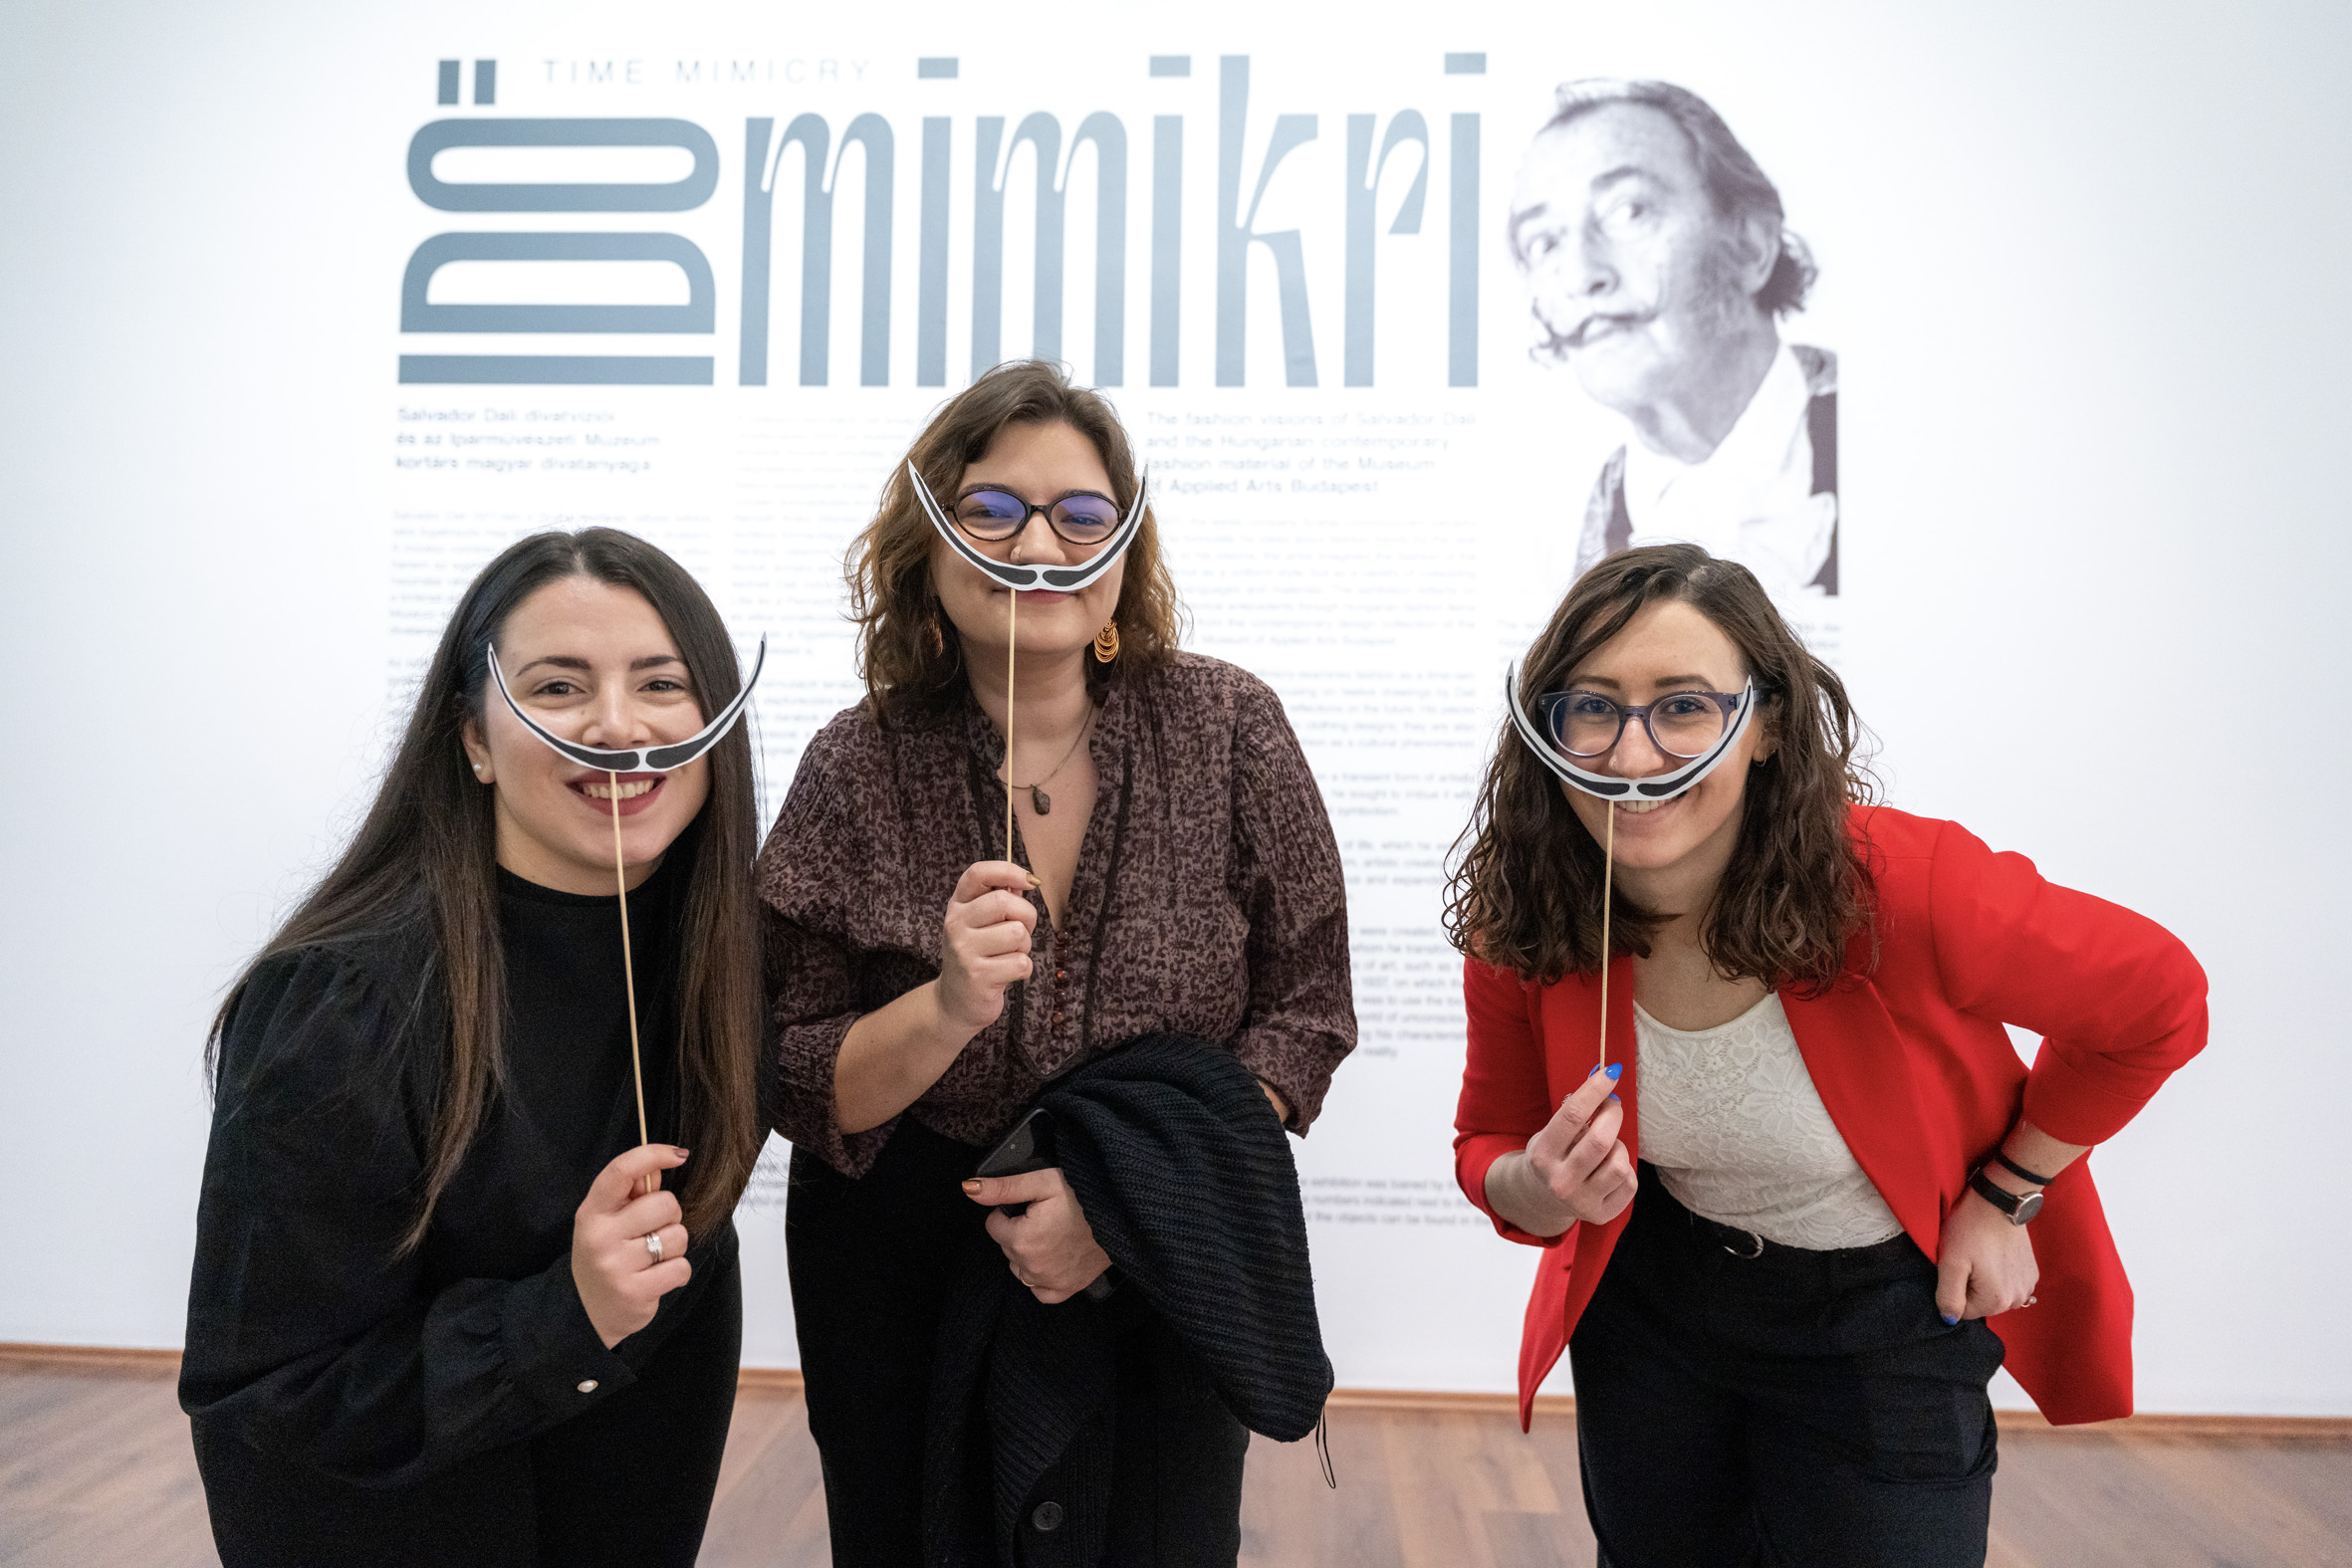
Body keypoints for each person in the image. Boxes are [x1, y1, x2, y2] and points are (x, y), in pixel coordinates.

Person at [1445, 544, 2206, 1566]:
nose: (1630, 756)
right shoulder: (1534, 913)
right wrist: (1537, 1188)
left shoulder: (1907, 884)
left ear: (1764, 725)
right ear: (1547, 728)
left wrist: (2008, 1192)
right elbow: (1488, 1141)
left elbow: (2158, 1002)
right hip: (1654, 1308)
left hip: (1881, 1318)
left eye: (1683, 706)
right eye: (1592, 707)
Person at [760, 359, 1355, 1566]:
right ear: (927, 542)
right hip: (904, 1271)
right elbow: (792, 1072)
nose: (1037, 544)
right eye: (990, 510)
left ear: (1126, 548)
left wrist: (1127, 1204)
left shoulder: (1230, 724)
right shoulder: (853, 764)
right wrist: (945, 1007)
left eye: (1081, 514)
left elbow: (1306, 1010)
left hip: (1163, 1248)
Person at [181, 530, 766, 1568]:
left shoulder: (719, 965)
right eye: (558, 686)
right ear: (474, 740)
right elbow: (270, 1400)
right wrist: (564, 1318)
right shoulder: (342, 1008)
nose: (617, 726)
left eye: (662, 683)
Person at [1511, 80, 1839, 597]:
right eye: (1543, 242)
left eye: (1628, 211)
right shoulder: (1548, 537)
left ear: (1751, 245)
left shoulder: (1879, 433)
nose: (1581, 274)